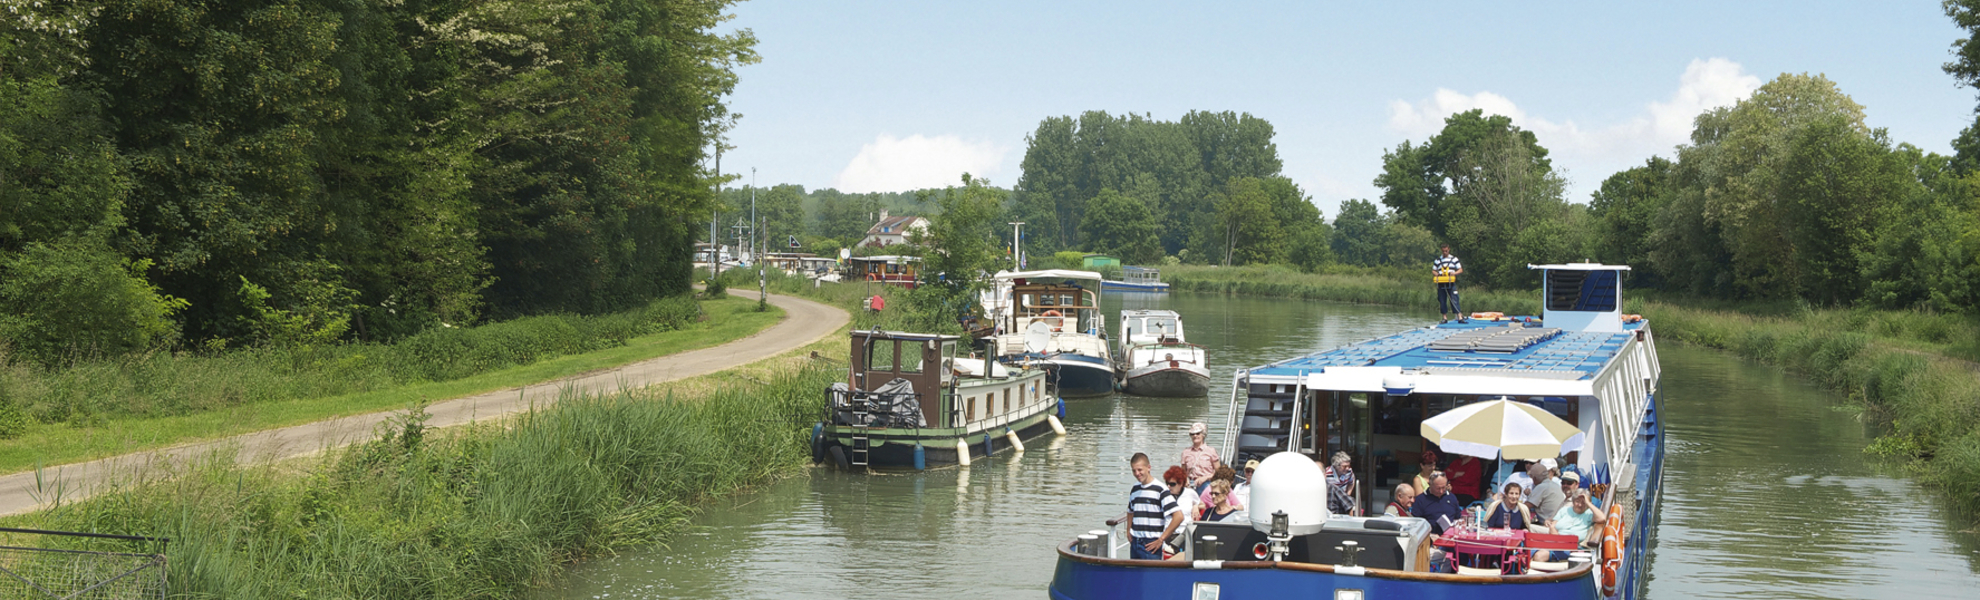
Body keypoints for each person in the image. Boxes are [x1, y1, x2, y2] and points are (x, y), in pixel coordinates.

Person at [1127, 453, 1178, 560]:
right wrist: (1128, 531)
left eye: (1140, 470)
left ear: (1149, 467)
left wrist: (1161, 539)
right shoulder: (1135, 488)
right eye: (1134, 470)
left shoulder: (1160, 489)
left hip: (1151, 543)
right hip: (1135, 541)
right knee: (1134, 576)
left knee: (1150, 575)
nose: (1137, 473)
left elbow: (1178, 516)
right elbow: (1130, 511)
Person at [1159, 466, 1195, 558]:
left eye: (1172, 484)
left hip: (1184, 533)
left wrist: (1196, 506)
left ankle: (1174, 547)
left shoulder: (1190, 493)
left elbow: (1201, 503)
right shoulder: (1164, 495)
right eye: (1167, 483)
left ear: (1181, 483)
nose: (1169, 486)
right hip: (1168, 532)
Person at [1181, 422, 1222, 492]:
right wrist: (1185, 479)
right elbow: (1183, 471)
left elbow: (1219, 472)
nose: (1195, 436)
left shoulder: (1211, 451)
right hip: (1190, 484)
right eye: (1192, 434)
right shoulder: (1186, 452)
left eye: (1197, 433)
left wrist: (1205, 478)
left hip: (1206, 483)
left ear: (1203, 435)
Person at [1434, 244, 1465, 323]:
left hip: (1451, 282)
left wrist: (1454, 273)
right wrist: (1436, 274)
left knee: (1454, 299)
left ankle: (1460, 317)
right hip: (1441, 282)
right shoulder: (1438, 260)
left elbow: (1460, 269)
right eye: (1443, 251)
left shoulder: (1454, 259)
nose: (1445, 252)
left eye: (1446, 251)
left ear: (1449, 249)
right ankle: (1444, 318)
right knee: (1442, 300)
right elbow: (1433, 270)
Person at [1325, 451, 1359, 516]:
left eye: (1348, 466)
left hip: (1343, 499)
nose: (1347, 468)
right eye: (1344, 466)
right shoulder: (1327, 473)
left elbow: (1351, 482)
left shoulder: (1349, 472)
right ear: (1336, 466)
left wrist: (1347, 495)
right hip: (1331, 501)